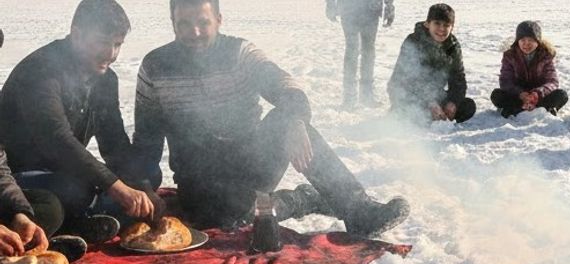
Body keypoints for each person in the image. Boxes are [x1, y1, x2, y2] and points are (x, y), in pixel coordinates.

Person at [132, 0, 408, 236]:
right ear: (172, 22)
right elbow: (146, 139)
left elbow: (287, 87)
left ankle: (358, 209)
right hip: (199, 180)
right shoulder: (156, 66)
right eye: (184, 24)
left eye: (203, 23)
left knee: (287, 119)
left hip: (250, 163)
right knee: (229, 219)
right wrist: (146, 186)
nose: (195, 32)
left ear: (218, 20)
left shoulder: (239, 53)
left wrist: (296, 121)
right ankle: (299, 199)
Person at [0, 0, 161, 245]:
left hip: (69, 170)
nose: (110, 54)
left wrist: (142, 188)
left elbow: (114, 143)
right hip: (22, 175)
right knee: (77, 189)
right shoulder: (41, 71)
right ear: (77, 34)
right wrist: (115, 187)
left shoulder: (105, 80)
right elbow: (57, 141)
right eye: (102, 43)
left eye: (117, 44)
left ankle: (84, 219)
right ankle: (76, 221)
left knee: (148, 173)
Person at [387, 4, 476, 124]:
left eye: (446, 25)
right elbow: (409, 79)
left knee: (468, 106)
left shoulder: (452, 46)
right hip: (408, 92)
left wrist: (453, 102)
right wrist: (430, 103)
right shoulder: (414, 42)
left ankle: (437, 116)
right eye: (437, 23)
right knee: (412, 111)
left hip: (435, 94)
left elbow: (458, 78)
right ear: (427, 24)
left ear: (452, 27)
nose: (441, 29)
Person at [490, 21, 569, 118]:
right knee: (497, 95)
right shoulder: (510, 56)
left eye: (530, 40)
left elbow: (552, 81)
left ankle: (535, 109)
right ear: (517, 41)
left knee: (561, 95)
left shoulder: (545, 56)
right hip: (518, 96)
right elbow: (505, 81)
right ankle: (521, 108)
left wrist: (537, 94)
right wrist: (521, 94)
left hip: (539, 97)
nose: (526, 44)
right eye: (522, 40)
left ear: (537, 41)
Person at [326, 0, 395, 109]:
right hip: (349, 8)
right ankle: (350, 97)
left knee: (367, 51)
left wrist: (389, 6)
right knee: (352, 50)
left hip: (370, 9)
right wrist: (330, 4)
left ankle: (366, 95)